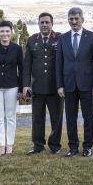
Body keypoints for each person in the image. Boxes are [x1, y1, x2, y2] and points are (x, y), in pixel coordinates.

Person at [56, 7, 93, 157]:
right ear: (68, 20)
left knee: (88, 117)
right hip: (68, 84)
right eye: (71, 19)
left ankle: (87, 147)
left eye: (76, 18)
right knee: (70, 118)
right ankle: (73, 147)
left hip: (88, 85)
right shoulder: (63, 38)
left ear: (82, 19)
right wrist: (60, 85)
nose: (74, 21)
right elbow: (59, 63)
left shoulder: (92, 37)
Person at [22, 13, 63, 155]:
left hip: (55, 87)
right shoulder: (32, 40)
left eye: (47, 22)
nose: (44, 25)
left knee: (56, 119)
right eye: (42, 22)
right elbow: (27, 65)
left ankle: (55, 145)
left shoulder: (60, 38)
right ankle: (38, 145)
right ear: (38, 24)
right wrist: (26, 85)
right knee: (37, 119)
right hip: (37, 87)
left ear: (52, 24)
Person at [0, 20, 23, 156]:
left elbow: (22, 69)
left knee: (11, 117)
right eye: (2, 31)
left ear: (11, 33)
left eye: (7, 31)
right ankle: (2, 145)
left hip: (12, 86)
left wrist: (21, 89)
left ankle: (10, 144)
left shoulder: (17, 49)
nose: (5, 34)